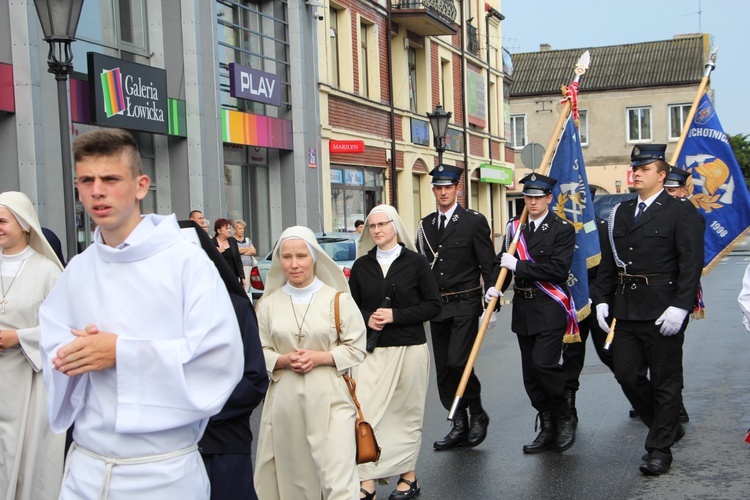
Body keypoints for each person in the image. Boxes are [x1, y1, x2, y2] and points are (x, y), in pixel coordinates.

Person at [39, 128, 244, 499]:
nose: (97, 191)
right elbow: (53, 349)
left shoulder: (186, 262)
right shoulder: (78, 270)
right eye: (86, 180)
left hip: (161, 471)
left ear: (140, 185)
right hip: (86, 467)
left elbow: (219, 359)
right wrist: (70, 355)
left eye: (110, 179)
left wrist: (121, 352)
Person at [592, 144, 704, 476]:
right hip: (626, 308)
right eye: (635, 168)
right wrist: (601, 298)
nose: (637, 173)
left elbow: (690, 266)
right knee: (626, 373)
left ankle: (659, 449)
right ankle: (663, 425)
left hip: (662, 307)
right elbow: (610, 263)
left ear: (661, 175)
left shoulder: (681, 213)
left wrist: (680, 308)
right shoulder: (621, 212)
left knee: (665, 381)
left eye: (644, 169)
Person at [254, 226, 367, 500]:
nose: (294, 264)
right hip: (285, 403)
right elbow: (258, 351)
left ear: (314, 257)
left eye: (301, 256)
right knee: (294, 480)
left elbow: (357, 347)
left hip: (331, 399)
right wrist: (282, 359)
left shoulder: (337, 299)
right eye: (287, 257)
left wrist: (321, 357)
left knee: (337, 479)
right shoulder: (268, 305)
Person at [349, 205, 441, 500]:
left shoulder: (416, 263)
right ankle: (367, 480)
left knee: (406, 416)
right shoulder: (362, 266)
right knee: (368, 414)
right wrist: (367, 317)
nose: (376, 230)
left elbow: (433, 305)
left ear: (394, 226)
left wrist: (395, 316)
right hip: (372, 353)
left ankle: (408, 476)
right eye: (371, 226)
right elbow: (351, 306)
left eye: (381, 224)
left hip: (409, 349)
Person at [486, 173, 578, 453]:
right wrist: (493, 289)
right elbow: (501, 263)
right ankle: (547, 425)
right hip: (524, 309)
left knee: (544, 366)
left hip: (549, 307)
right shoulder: (515, 228)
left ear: (549, 198)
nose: (532, 201)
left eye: (538, 197)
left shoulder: (562, 229)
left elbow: (558, 271)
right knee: (531, 375)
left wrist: (520, 267)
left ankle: (563, 416)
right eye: (528, 196)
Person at [180, 221, 269, 500]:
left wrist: (206, 412)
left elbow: (254, 378)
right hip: (170, 446)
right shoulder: (151, 312)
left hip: (224, 439)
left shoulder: (237, 307)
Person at [415, 164, 496, 450]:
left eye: (448, 187)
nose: (443, 192)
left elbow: (489, 263)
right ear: (434, 190)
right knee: (443, 371)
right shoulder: (425, 225)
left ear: (457, 189)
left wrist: (492, 301)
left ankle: (477, 412)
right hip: (438, 308)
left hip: (465, 303)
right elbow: (422, 269)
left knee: (458, 362)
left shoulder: (473, 221)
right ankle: (459, 422)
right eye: (438, 187)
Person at [0, 191, 65, 500]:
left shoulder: (47, 271)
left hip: (30, 382)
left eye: (2, 221)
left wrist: (19, 337)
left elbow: (66, 328)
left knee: (27, 459)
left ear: (24, 225)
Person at [214, 218, 245, 288]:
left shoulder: (232, 241)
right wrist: (217, 253)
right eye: (227, 229)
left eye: (229, 228)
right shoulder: (212, 243)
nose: (229, 230)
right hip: (219, 276)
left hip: (233, 275)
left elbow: (238, 259)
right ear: (219, 230)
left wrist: (242, 277)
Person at [233, 219, 257, 293]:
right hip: (238, 269)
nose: (242, 230)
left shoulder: (247, 240)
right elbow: (236, 251)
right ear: (234, 229)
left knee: (247, 289)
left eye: (243, 228)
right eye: (239, 228)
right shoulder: (232, 240)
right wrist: (247, 248)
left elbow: (253, 251)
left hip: (248, 268)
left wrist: (242, 251)